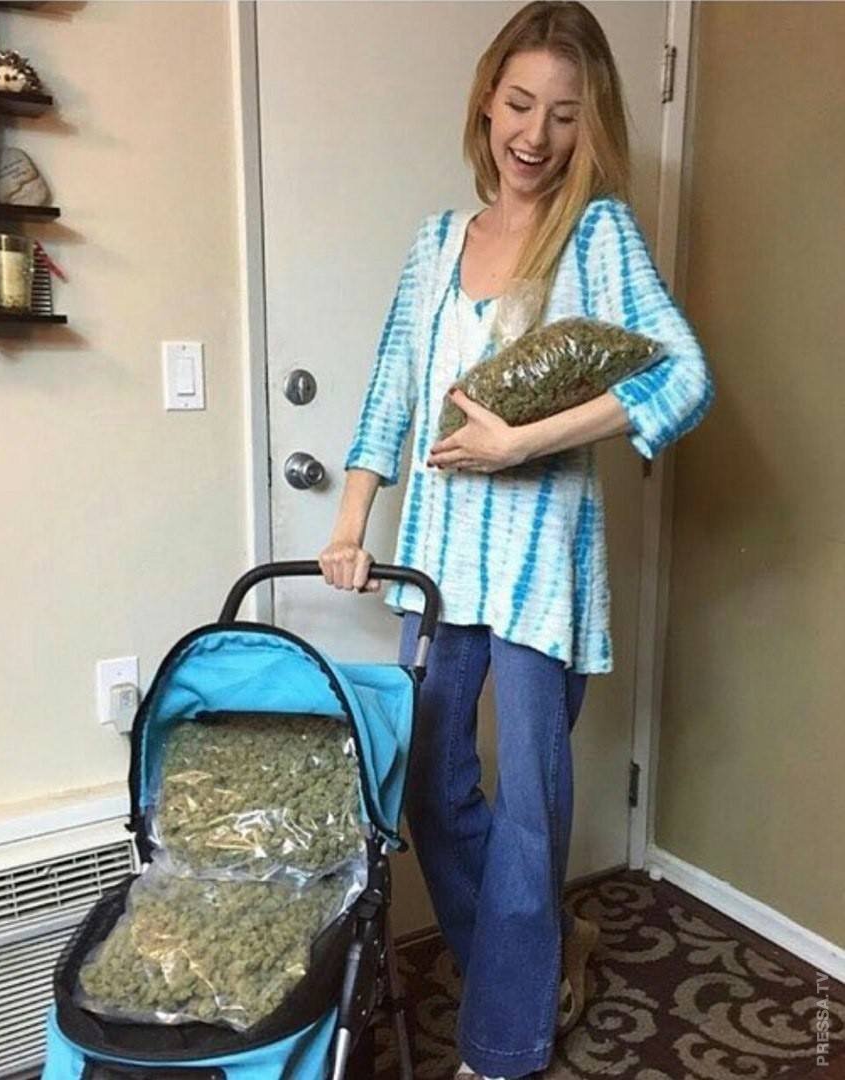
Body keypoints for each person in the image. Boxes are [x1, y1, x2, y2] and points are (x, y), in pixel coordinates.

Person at [318, 3, 715, 1077]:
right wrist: (351, 522)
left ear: (592, 124)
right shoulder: (436, 241)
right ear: (486, 102)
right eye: (518, 104)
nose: (534, 135)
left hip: (542, 564)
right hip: (435, 565)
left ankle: (503, 1045)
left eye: (563, 115)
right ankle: (537, 958)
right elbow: (391, 388)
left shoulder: (597, 235)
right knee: (431, 783)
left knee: (530, 807)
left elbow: (683, 377)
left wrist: (524, 441)